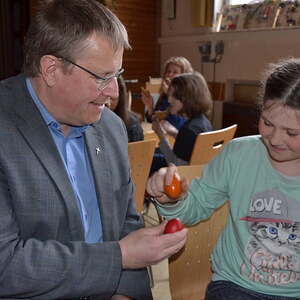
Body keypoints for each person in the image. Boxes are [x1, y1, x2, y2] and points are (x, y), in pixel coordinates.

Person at [0, 0, 188, 299]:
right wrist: (119, 256)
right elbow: (6, 265)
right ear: (50, 69)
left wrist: (124, 294)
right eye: (103, 77)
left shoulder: (111, 128)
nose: (114, 92)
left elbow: (128, 223)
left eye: (117, 74)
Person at [147, 57, 300, 299]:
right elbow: (196, 205)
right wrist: (172, 200)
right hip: (236, 286)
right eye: (268, 123)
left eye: (292, 132)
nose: (276, 139)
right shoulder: (239, 155)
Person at [150, 72, 213, 174]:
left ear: (187, 98)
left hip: (182, 176)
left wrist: (161, 135)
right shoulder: (203, 122)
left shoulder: (188, 129)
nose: (169, 100)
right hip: (197, 172)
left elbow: (176, 165)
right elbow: (190, 148)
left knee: (144, 159)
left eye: (174, 96)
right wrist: (175, 133)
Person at [141, 56, 194, 130]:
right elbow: (153, 121)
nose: (170, 75)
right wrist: (150, 107)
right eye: (168, 71)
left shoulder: (187, 98)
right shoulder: (164, 96)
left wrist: (171, 96)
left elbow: (177, 124)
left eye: (175, 72)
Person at [107, 76, 144, 142]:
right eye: (105, 96)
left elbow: (138, 150)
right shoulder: (88, 123)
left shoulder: (132, 125)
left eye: (112, 98)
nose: (108, 103)